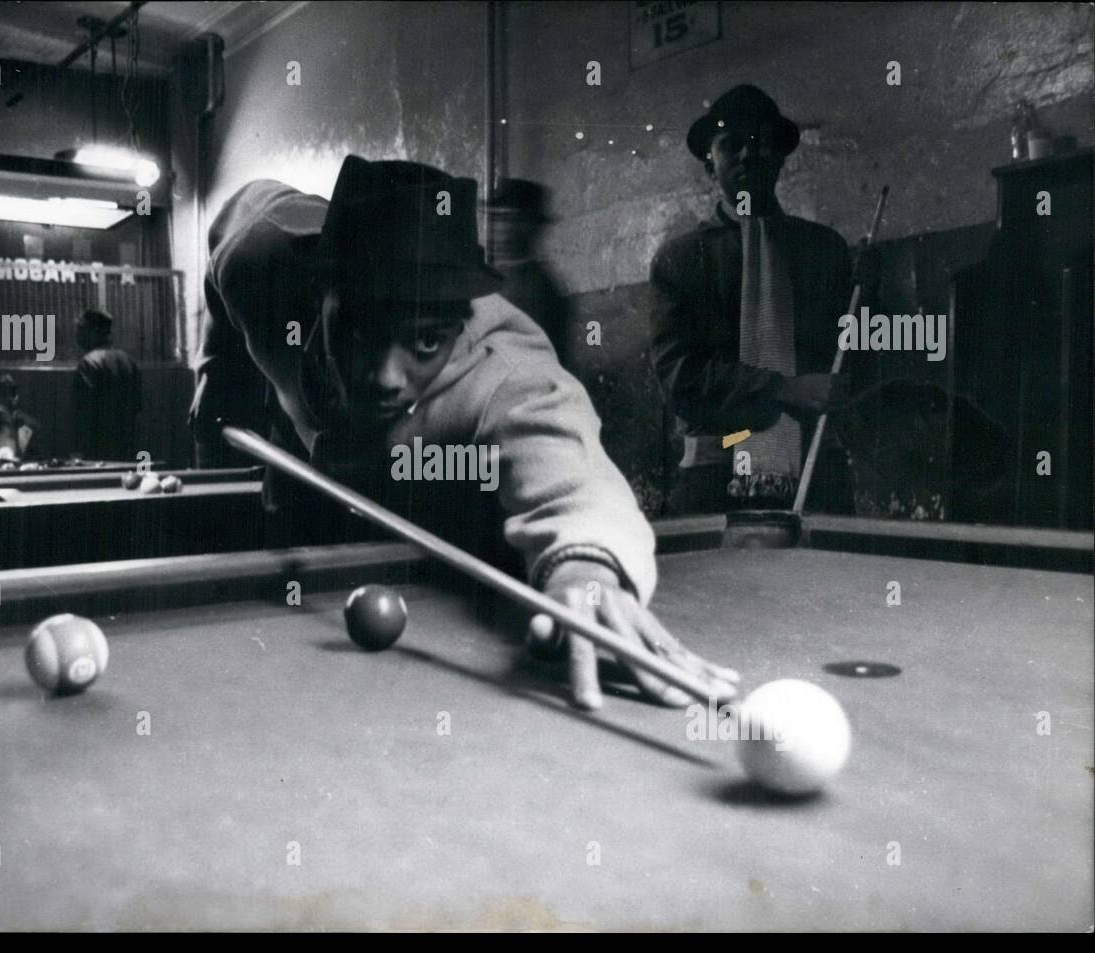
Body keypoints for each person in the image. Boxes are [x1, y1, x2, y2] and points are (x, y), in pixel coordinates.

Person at [191, 154, 737, 711]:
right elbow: (227, 243)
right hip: (304, 493)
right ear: (319, 289)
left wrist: (584, 566)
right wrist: (215, 371)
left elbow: (570, 469)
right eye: (359, 331)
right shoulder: (260, 262)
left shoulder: (502, 369)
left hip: (432, 511)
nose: (385, 377)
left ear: (460, 323)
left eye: (426, 342)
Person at [651, 84, 874, 514]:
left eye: (760, 143)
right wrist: (784, 389)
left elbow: (850, 367)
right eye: (732, 145)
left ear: (781, 157)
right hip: (717, 474)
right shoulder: (681, 260)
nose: (748, 156)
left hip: (814, 471)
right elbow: (680, 379)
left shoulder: (824, 249)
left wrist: (867, 296)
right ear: (708, 164)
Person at [485, 177, 572, 364]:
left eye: (511, 219)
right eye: (497, 218)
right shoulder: (483, 279)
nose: (501, 228)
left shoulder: (544, 290)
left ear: (532, 227)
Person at [71, 309, 142, 461]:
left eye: (81, 329)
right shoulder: (129, 361)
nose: (77, 335)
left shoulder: (88, 363)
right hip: (128, 446)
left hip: (97, 449)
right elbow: (138, 406)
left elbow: (83, 414)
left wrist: (78, 451)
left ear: (93, 332)